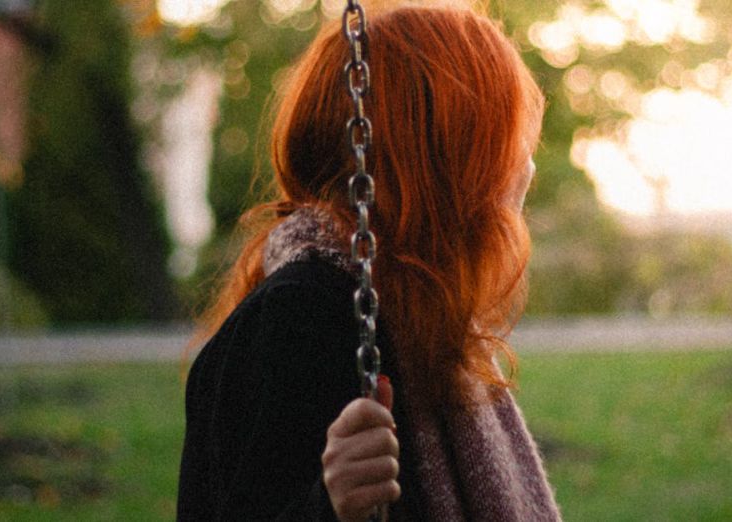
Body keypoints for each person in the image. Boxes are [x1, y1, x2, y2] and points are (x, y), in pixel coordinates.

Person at [177, 4, 561, 521]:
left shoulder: (421, 318)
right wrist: (331, 506)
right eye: (504, 142)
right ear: (443, 155)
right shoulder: (300, 321)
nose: (526, 169)